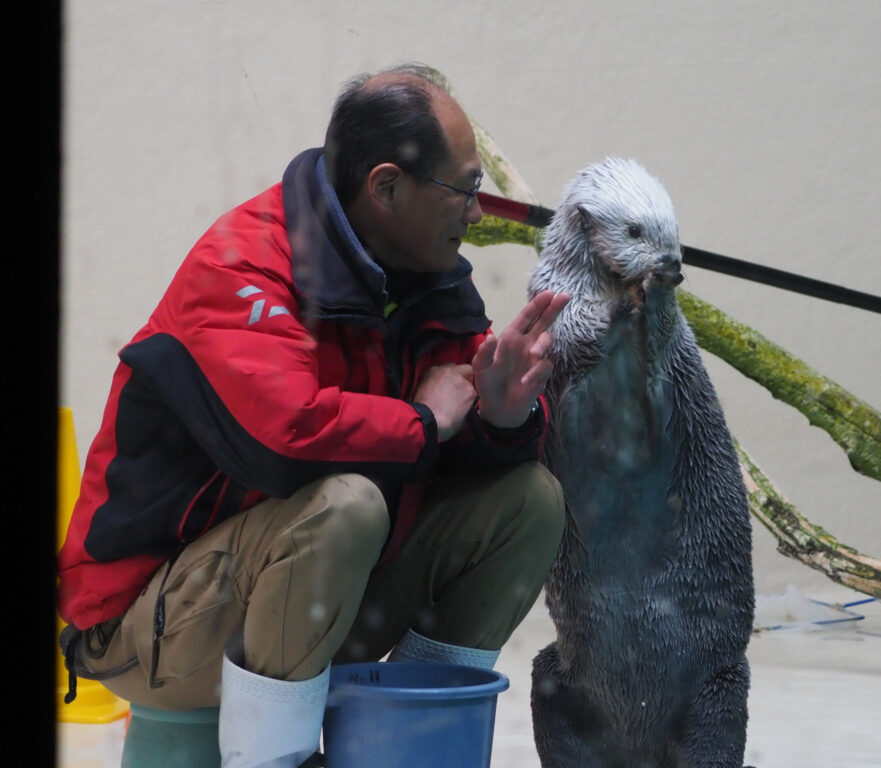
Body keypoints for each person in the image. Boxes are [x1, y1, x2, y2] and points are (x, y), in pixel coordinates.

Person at [57, 64, 570, 767]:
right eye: (465, 190)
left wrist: (503, 420)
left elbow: (452, 436)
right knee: (346, 505)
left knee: (527, 502)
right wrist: (423, 421)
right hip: (149, 623)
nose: (476, 214)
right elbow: (286, 442)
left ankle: (416, 740)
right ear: (386, 186)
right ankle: (274, 759)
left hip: (311, 591)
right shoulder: (243, 265)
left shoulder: (428, 278)